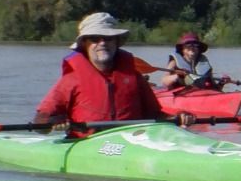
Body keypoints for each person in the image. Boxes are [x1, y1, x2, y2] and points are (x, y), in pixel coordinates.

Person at [34, 12, 193, 135]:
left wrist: (178, 117)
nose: (102, 43)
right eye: (95, 38)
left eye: (108, 38)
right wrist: (55, 121)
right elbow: (40, 122)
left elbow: (155, 115)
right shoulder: (71, 79)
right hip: (88, 142)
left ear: (117, 42)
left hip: (132, 140)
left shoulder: (134, 77)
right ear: (85, 44)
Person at [160, 31, 230, 90]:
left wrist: (222, 83)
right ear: (182, 49)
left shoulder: (204, 64)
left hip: (200, 95)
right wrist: (177, 76)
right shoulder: (174, 62)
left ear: (199, 49)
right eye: (188, 44)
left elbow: (215, 89)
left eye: (195, 44)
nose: (192, 47)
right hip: (179, 94)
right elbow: (164, 81)